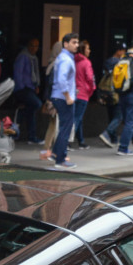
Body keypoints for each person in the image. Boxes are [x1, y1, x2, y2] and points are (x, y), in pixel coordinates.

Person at [48, 32, 79, 169]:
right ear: (65, 44)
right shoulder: (66, 59)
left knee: (63, 127)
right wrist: (68, 97)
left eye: (77, 42)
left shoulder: (62, 57)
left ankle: (55, 153)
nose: (76, 45)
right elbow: (62, 79)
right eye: (73, 42)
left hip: (58, 96)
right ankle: (60, 160)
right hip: (63, 98)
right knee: (65, 128)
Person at [12, 38, 43, 144]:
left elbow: (35, 73)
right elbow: (18, 73)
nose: (34, 48)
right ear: (28, 46)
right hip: (23, 88)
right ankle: (30, 135)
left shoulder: (34, 58)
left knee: (31, 112)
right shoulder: (23, 56)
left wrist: (36, 85)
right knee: (37, 104)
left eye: (36, 46)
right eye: (32, 45)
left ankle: (31, 136)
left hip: (31, 88)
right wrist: (21, 88)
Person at [98, 41, 126, 148]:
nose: (123, 52)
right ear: (118, 51)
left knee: (111, 114)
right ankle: (107, 133)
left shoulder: (107, 62)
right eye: (122, 50)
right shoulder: (120, 63)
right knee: (119, 116)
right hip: (116, 92)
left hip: (106, 91)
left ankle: (113, 138)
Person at [71, 39, 96, 150]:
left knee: (77, 117)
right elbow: (90, 78)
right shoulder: (86, 62)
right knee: (77, 118)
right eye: (88, 48)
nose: (89, 51)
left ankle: (81, 141)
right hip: (83, 93)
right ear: (83, 50)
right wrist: (92, 88)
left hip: (74, 92)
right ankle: (67, 141)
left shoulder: (74, 61)